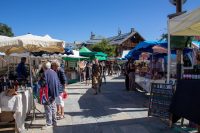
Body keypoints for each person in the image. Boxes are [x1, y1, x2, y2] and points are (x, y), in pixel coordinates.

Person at [42, 62, 60, 130]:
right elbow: (58, 82)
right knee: (53, 107)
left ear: (44, 67)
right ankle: (55, 122)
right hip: (54, 92)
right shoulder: (54, 72)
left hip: (48, 93)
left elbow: (43, 83)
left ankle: (49, 123)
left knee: (48, 108)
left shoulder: (45, 73)